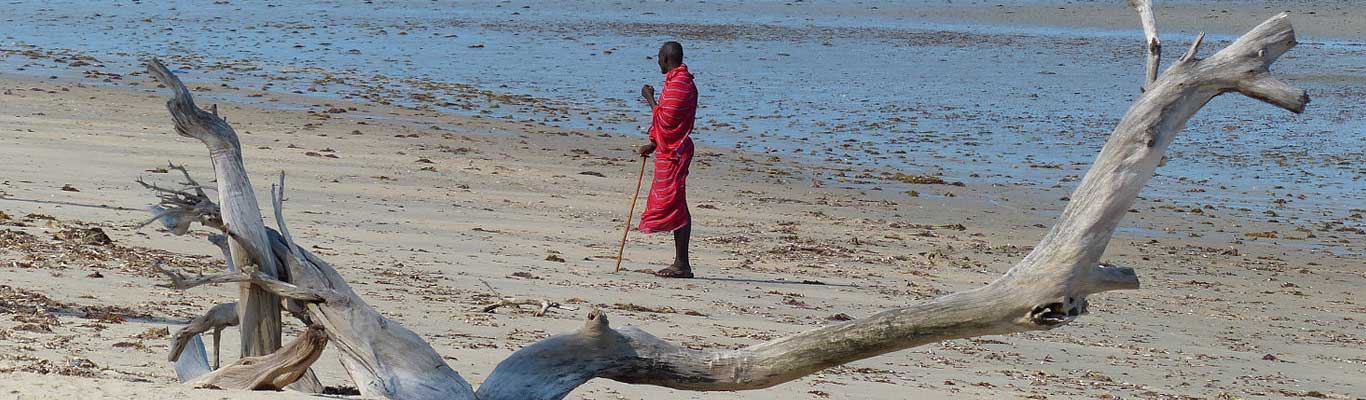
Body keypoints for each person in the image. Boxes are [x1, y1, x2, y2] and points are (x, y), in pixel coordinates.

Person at [637, 41, 698, 278]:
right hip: (667, 150)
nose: (657, 62)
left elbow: (667, 119)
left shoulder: (680, 84)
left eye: (658, 58)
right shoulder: (675, 81)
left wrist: (649, 99)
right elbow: (669, 123)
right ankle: (680, 262)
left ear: (665, 58)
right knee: (675, 204)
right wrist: (653, 144)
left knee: (678, 205)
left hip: (676, 154)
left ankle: (682, 264)